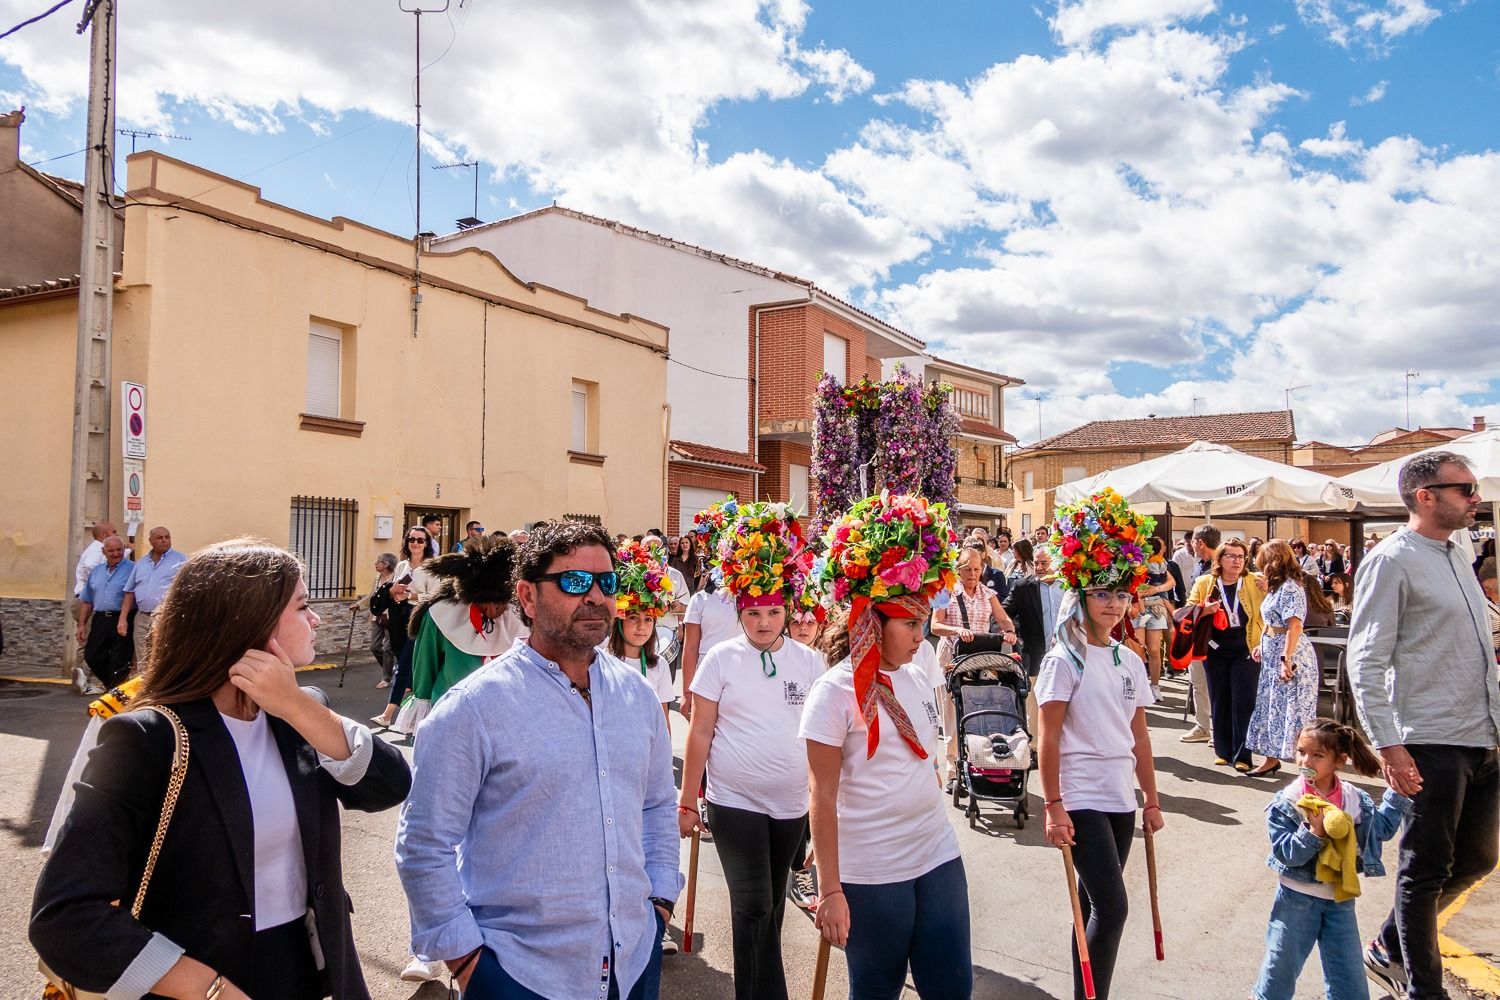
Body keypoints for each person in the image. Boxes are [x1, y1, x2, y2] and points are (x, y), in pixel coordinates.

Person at [32, 539, 412, 1000]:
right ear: (251, 624)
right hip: (199, 981)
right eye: (303, 606)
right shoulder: (147, 739)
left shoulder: (299, 713)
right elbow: (64, 916)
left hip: (311, 971)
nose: (315, 619)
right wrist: (210, 990)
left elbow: (390, 785)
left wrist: (295, 704)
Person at [395, 521, 681, 1000]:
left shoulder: (637, 695)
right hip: (521, 974)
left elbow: (656, 806)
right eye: (573, 582)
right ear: (527, 598)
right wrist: (468, 962)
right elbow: (424, 844)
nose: (595, 596)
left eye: (606, 583)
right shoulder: (474, 708)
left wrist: (659, 903)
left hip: (633, 962)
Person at [803, 492, 970, 999]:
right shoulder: (832, 692)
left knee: (952, 989)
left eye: (922, 624)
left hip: (936, 852)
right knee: (876, 992)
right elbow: (821, 798)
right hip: (872, 870)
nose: (920, 636)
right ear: (874, 622)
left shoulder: (917, 677)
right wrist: (830, 890)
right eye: (910, 624)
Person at [1348, 451, 1500, 1000]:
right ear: (1425, 496)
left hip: (1482, 732)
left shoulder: (1458, 552)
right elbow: (1364, 659)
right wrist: (1388, 745)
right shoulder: (1391, 560)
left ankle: (1389, 946)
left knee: (1479, 858)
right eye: (1465, 489)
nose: (1475, 497)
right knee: (1425, 870)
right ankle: (1422, 990)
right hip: (1430, 735)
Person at [678, 502, 821, 1000]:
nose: (764, 623)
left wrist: (828, 808)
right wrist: (686, 798)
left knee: (775, 909)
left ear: (788, 611)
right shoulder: (721, 659)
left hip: (790, 808)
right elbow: (699, 733)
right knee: (755, 904)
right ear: (739, 613)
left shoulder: (811, 663)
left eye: (774, 612)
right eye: (754, 613)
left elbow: (824, 744)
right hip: (733, 801)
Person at [1036, 488, 1164, 1000]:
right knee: (1113, 908)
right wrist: (1052, 805)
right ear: (1081, 597)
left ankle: (1084, 994)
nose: (1114, 605)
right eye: (1102, 594)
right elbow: (1047, 738)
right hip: (1080, 794)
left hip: (1119, 795)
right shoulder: (1062, 660)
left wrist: (1151, 799)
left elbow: (1139, 738)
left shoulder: (1131, 660)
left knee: (1091, 906)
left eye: (1121, 595)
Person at [1251, 719, 1411, 1000]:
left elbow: (1381, 831)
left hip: (1340, 901)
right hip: (1296, 901)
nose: (1305, 760)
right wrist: (1314, 831)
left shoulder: (1353, 798)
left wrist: (1398, 792)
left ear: (1340, 760)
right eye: (1301, 751)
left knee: (1350, 987)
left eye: (1317, 755)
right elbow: (1287, 854)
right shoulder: (1288, 801)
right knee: (1278, 976)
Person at [393, 535, 520, 740]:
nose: (495, 610)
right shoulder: (441, 614)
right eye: (488, 602)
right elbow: (426, 664)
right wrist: (423, 705)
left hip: (506, 713)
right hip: (452, 711)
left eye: (500, 603)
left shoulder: (519, 616)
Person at [931, 541, 1019, 794]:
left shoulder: (987, 594)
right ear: (958, 569)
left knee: (979, 710)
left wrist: (1010, 632)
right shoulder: (945, 591)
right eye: (968, 569)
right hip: (952, 654)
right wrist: (956, 629)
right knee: (951, 713)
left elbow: (1003, 619)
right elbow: (936, 626)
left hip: (979, 656)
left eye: (977, 569)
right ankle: (951, 770)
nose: (972, 574)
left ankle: (982, 764)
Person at [1186, 539, 1265, 771]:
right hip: (1215, 647)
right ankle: (1223, 750)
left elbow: (1272, 607)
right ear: (1219, 559)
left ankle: (1243, 756)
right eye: (1231, 556)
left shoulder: (1253, 581)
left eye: (1241, 557)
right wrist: (1202, 609)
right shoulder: (1204, 582)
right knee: (1219, 698)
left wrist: (1270, 589)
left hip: (1247, 646)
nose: (1237, 561)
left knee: (1244, 701)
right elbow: (1187, 610)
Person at [1244, 541, 1319, 777]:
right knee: (1271, 707)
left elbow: (1294, 625)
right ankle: (1270, 759)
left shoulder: (1290, 588)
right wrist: (1261, 644)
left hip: (1288, 654)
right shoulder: (1277, 588)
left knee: (1294, 710)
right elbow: (1273, 621)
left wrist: (1286, 659)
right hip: (1273, 652)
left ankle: (1308, 767)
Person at [679, 498, 741, 721]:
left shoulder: (751, 597)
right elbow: (690, 648)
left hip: (743, 676)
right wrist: (687, 691)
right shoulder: (700, 600)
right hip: (707, 680)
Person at [372, 526, 437, 730]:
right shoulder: (401, 565)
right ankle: (426, 712)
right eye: (412, 539)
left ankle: (387, 714)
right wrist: (394, 593)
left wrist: (410, 596)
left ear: (427, 544)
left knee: (404, 666)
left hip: (421, 618)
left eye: (420, 540)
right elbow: (394, 586)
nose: (415, 544)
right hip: (399, 617)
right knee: (409, 663)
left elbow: (436, 596)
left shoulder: (432, 567)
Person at [1177, 524, 1223, 742]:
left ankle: (1217, 728)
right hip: (1199, 632)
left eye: (1192, 541)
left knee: (1215, 684)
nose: (1190, 545)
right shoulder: (1200, 566)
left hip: (1219, 635)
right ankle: (1203, 726)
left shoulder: (1222, 567)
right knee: (1199, 681)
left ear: (1200, 542)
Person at [119, 525, 187, 672]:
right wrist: (122, 618)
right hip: (142, 616)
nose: (164, 540)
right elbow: (129, 592)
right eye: (160, 537)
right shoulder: (142, 563)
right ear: (151, 541)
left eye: (167, 537)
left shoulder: (181, 560)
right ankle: (144, 689)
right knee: (142, 657)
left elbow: (188, 589)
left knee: (163, 655)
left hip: (165, 617)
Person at [74, 536, 135, 695]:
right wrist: (81, 625)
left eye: (119, 549)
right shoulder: (97, 571)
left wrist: (123, 619)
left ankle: (114, 692)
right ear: (103, 552)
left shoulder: (133, 568)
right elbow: (87, 600)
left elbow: (131, 595)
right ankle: (112, 687)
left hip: (123, 618)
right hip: (100, 618)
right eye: (111, 550)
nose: (116, 554)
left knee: (119, 659)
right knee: (92, 655)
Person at [1132, 537, 1176, 699]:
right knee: (1138, 649)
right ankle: (1138, 685)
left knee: (1155, 649)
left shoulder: (1161, 563)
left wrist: (1155, 589)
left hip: (1156, 607)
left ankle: (1155, 686)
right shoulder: (1134, 563)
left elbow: (1171, 582)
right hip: (1138, 606)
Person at [355, 553, 398, 687]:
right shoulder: (377, 578)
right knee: (374, 646)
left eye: (378, 562)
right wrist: (359, 605)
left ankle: (386, 678)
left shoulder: (396, 578)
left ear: (386, 565)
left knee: (388, 648)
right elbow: (372, 597)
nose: (375, 564)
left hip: (391, 617)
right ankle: (389, 669)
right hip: (377, 617)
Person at [72, 519, 123, 598]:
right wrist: (106, 578)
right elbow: (90, 564)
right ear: (103, 534)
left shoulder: (99, 548)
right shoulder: (97, 549)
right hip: (87, 596)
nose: (117, 534)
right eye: (114, 532)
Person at [669, 533, 704, 597]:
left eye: (686, 542)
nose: (685, 545)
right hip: (678, 590)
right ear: (680, 545)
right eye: (682, 543)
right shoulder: (675, 559)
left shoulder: (696, 559)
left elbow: (699, 576)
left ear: (690, 544)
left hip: (691, 590)